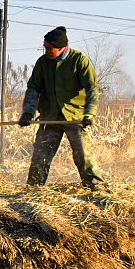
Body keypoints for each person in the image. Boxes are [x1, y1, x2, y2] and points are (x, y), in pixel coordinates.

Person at [18, 26, 107, 190]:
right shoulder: (43, 63)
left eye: (48, 48)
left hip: (74, 116)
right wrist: (28, 112)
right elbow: (33, 89)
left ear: (61, 47)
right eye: (45, 48)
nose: (46, 51)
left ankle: (95, 187)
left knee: (83, 154)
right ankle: (34, 189)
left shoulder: (79, 61)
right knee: (41, 156)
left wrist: (89, 113)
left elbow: (92, 88)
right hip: (50, 117)